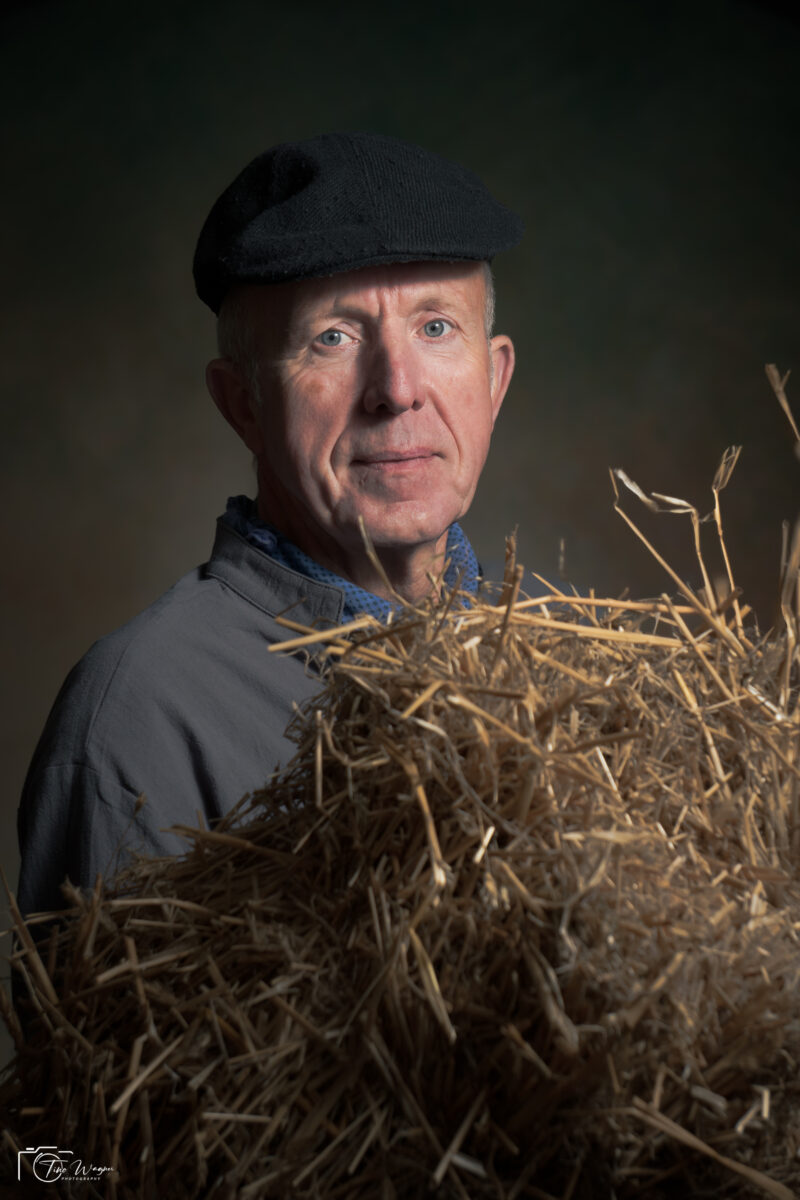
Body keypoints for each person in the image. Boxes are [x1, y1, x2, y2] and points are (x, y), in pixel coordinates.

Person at [17, 132, 521, 914]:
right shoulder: (139, 719)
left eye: (435, 327)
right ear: (242, 401)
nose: (395, 389)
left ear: (493, 380)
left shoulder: (572, 656)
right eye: (333, 338)